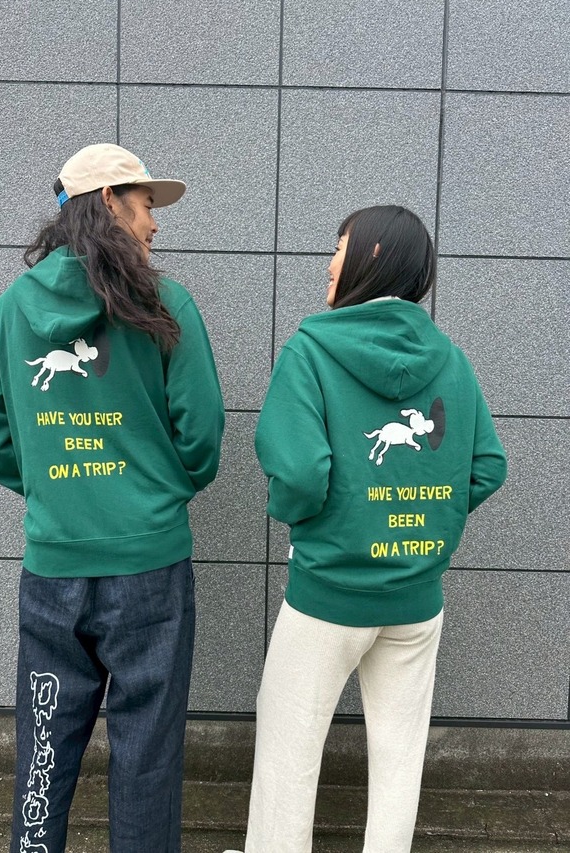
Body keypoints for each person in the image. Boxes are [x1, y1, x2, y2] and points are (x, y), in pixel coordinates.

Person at [225, 204, 507, 853]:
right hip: (416, 600)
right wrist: (430, 519)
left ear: (372, 257)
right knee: (400, 757)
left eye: (339, 246)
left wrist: (309, 520)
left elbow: (300, 473)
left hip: (328, 593)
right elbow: (488, 466)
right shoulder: (452, 361)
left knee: (289, 751)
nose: (328, 264)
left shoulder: (310, 351)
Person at [0, 143, 224, 853]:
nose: (155, 223)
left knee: (44, 749)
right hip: (150, 572)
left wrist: (60, 496)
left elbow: (2, 442)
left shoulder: (10, 310)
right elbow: (202, 435)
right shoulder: (165, 303)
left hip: (52, 568)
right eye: (146, 205)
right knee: (147, 753)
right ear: (109, 201)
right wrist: (152, 495)